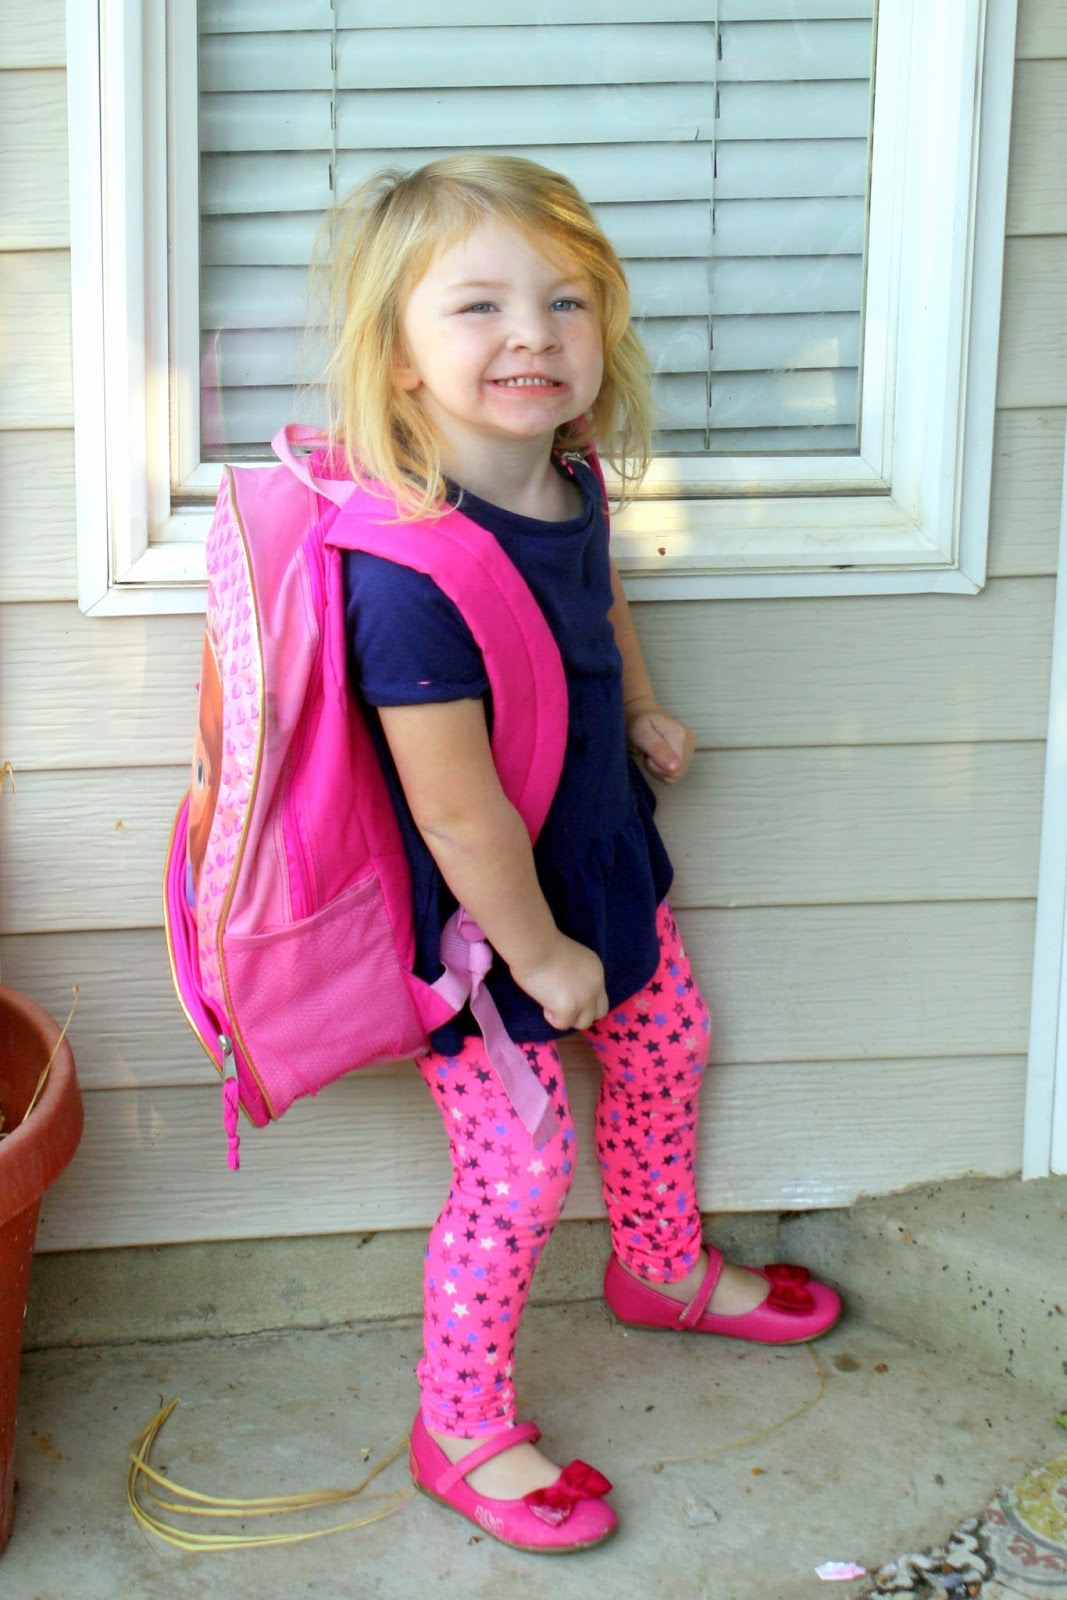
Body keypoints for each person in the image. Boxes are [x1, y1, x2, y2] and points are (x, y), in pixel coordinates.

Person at [318, 153, 841, 1554]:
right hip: (492, 933)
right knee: (520, 1170)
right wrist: (541, 956)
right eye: (477, 306)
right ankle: (462, 1422)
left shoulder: (567, 479)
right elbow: (457, 811)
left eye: (564, 301)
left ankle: (662, 1267)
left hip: (609, 867)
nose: (531, 335)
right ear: (399, 356)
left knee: (672, 1042)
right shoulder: (407, 571)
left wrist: (649, 704)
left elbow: (596, 607)